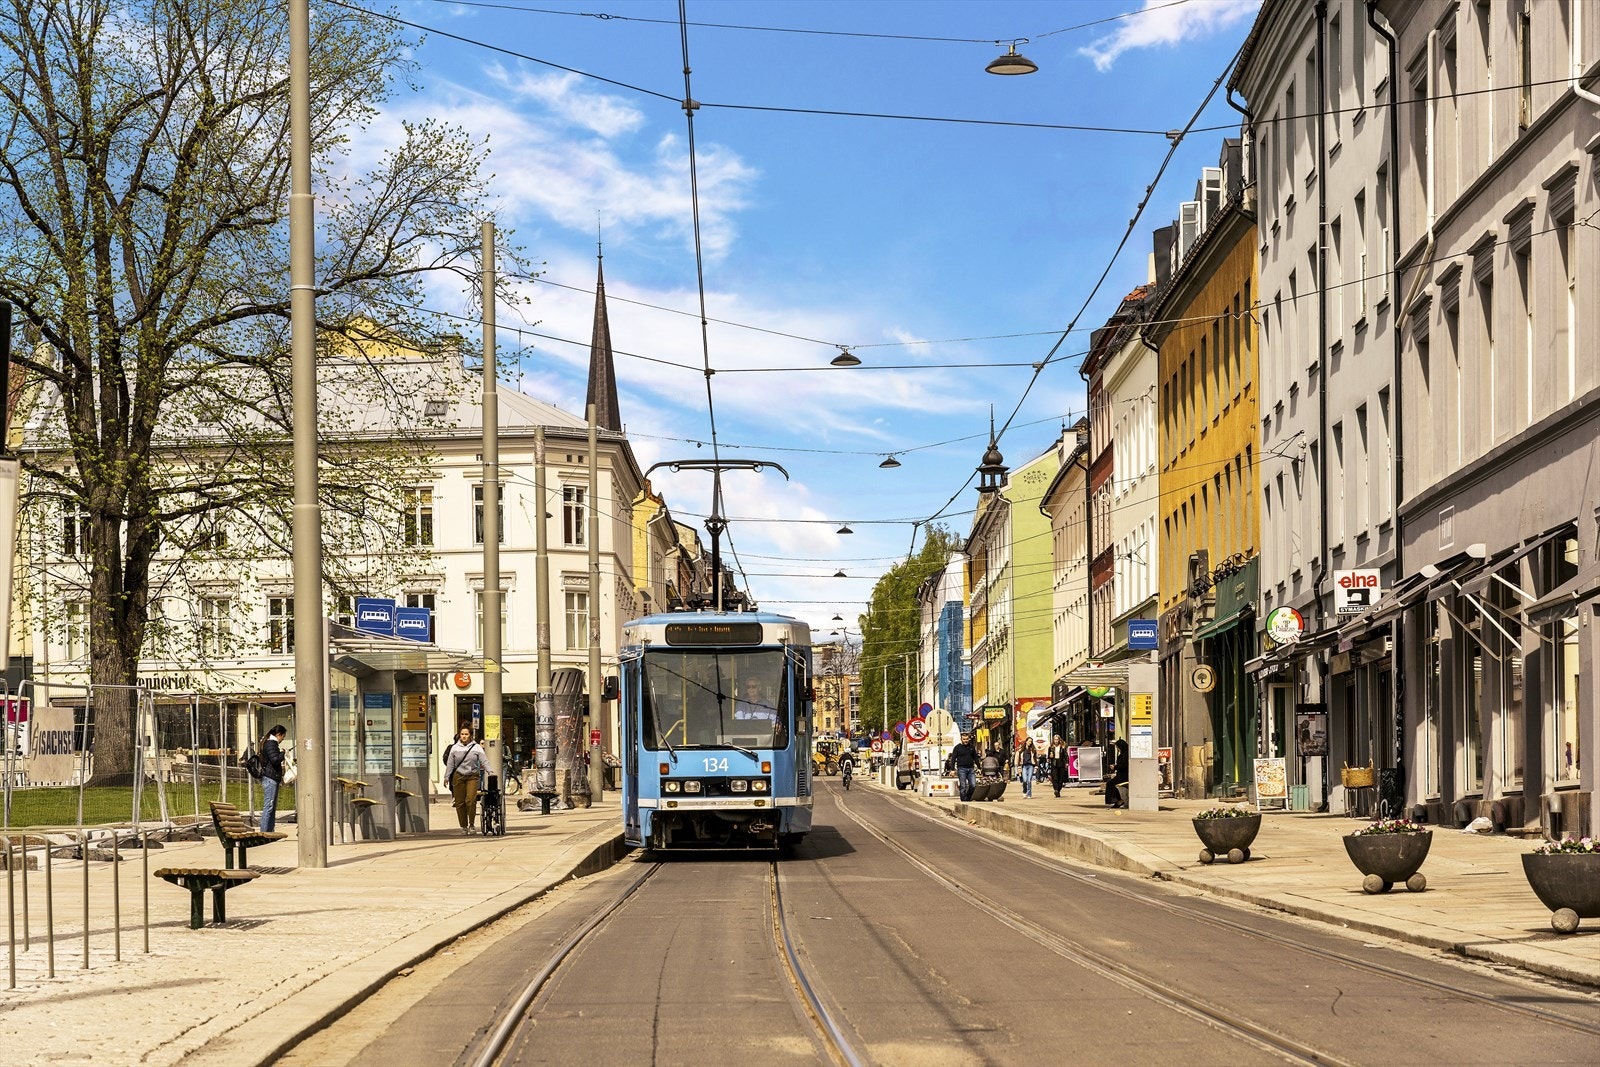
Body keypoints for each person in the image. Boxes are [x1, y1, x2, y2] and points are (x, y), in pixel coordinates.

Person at [443, 727, 488, 834]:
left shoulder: (476, 747)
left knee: (470, 800)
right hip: (458, 776)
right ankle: (464, 826)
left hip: (472, 776)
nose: (464, 736)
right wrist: (446, 776)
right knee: (459, 802)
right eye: (462, 734)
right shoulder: (454, 748)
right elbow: (450, 763)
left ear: (470, 735)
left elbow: (484, 760)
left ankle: (471, 824)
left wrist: (490, 771)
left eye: (466, 734)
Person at [260, 725, 289, 832]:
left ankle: (270, 832)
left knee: (271, 808)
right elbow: (275, 760)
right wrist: (282, 754)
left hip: (272, 778)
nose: (283, 739)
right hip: (270, 778)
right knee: (269, 807)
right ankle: (264, 832)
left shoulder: (270, 743)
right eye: (283, 737)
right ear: (278, 734)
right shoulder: (271, 743)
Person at [950, 732, 980, 802]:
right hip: (961, 769)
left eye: (967, 739)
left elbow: (975, 758)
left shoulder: (972, 747)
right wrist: (952, 769)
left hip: (971, 769)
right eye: (964, 739)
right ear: (961, 739)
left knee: (973, 785)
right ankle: (963, 800)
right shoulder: (957, 748)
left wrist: (979, 768)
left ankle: (967, 798)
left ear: (969, 739)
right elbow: (953, 759)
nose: (965, 741)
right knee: (963, 786)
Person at [1106, 733, 1130, 808]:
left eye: (1118, 747)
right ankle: (1118, 800)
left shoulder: (1125, 755)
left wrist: (1115, 767)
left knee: (1110, 783)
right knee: (1110, 783)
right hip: (1122, 775)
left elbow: (1123, 766)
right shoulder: (1123, 754)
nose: (1117, 749)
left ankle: (1118, 800)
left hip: (1124, 776)